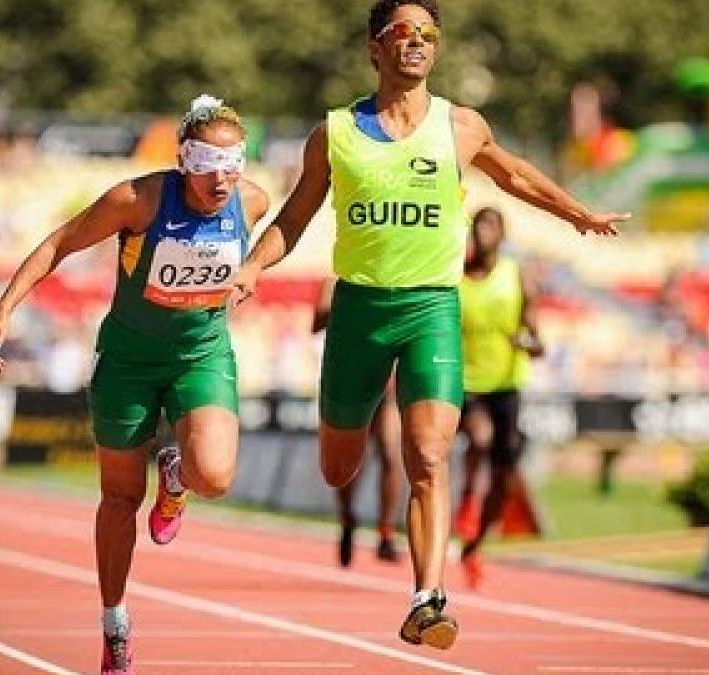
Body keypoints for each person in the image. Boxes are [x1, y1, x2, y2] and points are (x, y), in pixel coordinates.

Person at [230, 0, 628, 650]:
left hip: (430, 309)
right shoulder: (334, 133)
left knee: (431, 454)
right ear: (374, 49)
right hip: (360, 311)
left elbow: (516, 174)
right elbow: (295, 218)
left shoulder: (462, 126)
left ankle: (428, 597)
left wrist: (577, 213)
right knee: (338, 467)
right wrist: (251, 269)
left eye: (428, 34)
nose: (416, 43)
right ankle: (367, 506)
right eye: (402, 33)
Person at [0, 95, 269, 675]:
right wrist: (4, 308)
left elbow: (269, 243)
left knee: (214, 475)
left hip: (201, 354)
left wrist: (251, 273)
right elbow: (60, 242)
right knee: (119, 498)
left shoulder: (252, 203)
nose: (223, 177)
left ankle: (177, 476)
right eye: (210, 163)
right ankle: (115, 624)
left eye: (233, 162)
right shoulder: (136, 200)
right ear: (186, 160)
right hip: (129, 362)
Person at [454, 207, 544, 590]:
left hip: (507, 384)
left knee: (505, 474)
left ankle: (475, 545)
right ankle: (467, 497)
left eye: (492, 225)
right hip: (466, 381)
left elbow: (537, 339)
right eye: (479, 225)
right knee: (480, 438)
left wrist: (527, 341)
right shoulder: (455, 276)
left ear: (503, 234)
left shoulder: (517, 276)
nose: (484, 231)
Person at [312, 277, 403, 567]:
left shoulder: (397, 277)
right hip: (351, 377)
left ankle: (386, 533)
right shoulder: (333, 282)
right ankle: (348, 519)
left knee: (390, 451)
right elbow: (315, 325)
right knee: (350, 462)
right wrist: (347, 305)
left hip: (387, 384)